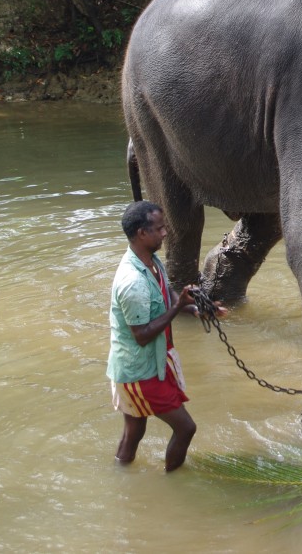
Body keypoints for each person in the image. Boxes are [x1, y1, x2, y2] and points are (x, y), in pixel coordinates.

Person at [107, 200, 199, 471]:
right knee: (186, 428)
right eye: (159, 229)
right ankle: (174, 483)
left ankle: (122, 478)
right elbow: (143, 335)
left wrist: (193, 309)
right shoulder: (132, 283)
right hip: (140, 372)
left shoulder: (150, 260)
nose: (165, 233)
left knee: (134, 432)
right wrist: (179, 306)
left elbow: (166, 291)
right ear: (141, 233)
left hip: (150, 365)